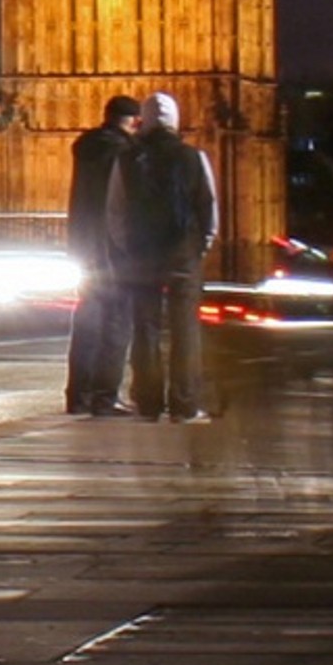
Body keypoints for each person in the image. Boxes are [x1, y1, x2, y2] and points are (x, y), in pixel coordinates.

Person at [106, 91, 218, 423]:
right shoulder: (193, 157)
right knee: (186, 330)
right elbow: (209, 207)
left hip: (141, 252)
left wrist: (127, 246)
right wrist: (200, 246)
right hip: (183, 253)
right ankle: (184, 404)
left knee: (146, 328)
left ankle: (149, 402)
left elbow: (115, 210)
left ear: (146, 121)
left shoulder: (127, 159)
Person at [64, 95, 140, 413]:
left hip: (84, 245)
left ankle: (78, 395)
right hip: (114, 248)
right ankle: (105, 396)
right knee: (117, 322)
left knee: (87, 320)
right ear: (133, 121)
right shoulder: (124, 153)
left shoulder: (87, 149)